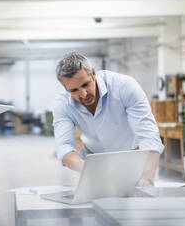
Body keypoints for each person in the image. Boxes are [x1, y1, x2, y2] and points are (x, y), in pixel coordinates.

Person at [53, 52, 164, 187]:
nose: (83, 94)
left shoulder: (124, 86)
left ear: (93, 73)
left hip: (134, 159)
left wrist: (146, 179)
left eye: (85, 84)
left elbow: (149, 137)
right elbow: (64, 148)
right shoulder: (63, 104)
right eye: (74, 90)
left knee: (140, 203)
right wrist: (90, 172)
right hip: (94, 162)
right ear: (65, 89)